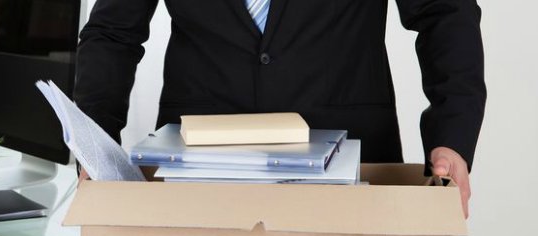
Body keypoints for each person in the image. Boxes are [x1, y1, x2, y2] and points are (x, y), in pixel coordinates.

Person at [73, 0, 485, 218]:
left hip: (354, 170)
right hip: (197, 173)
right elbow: (112, 32)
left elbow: (443, 14)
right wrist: (96, 142)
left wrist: (452, 138)